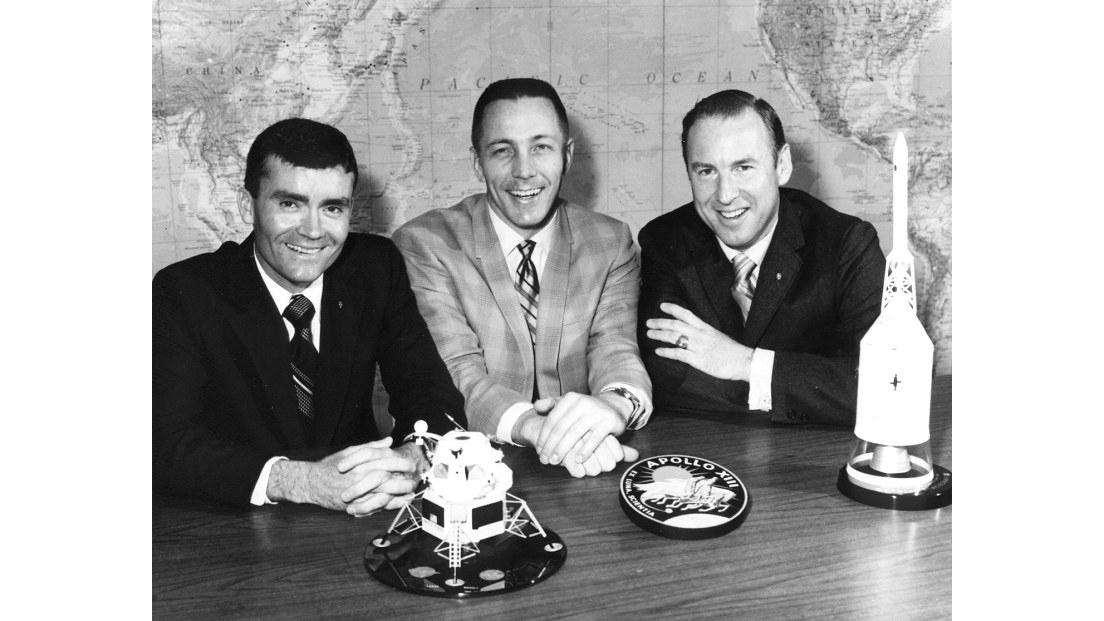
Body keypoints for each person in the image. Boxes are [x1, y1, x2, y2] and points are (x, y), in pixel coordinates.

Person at [153, 118, 466, 515]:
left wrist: (416, 453)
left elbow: (428, 389)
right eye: (290, 204)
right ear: (246, 204)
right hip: (236, 524)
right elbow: (163, 442)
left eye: (332, 208)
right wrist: (297, 480)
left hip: (362, 513)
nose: (313, 231)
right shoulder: (186, 292)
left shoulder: (375, 267)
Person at [393, 78, 652, 478]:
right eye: (502, 151)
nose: (524, 171)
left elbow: (615, 350)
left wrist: (613, 407)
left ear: (566, 155)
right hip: (468, 471)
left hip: (587, 462)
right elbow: (457, 373)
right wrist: (548, 431)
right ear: (478, 161)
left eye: (541, 147)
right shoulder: (426, 244)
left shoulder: (611, 242)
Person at [639, 90, 886, 426]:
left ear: (781, 166)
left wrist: (745, 364)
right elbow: (666, 378)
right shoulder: (664, 241)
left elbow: (884, 385)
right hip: (708, 449)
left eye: (743, 167)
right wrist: (812, 389)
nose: (725, 195)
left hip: (811, 459)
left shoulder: (847, 244)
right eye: (706, 172)